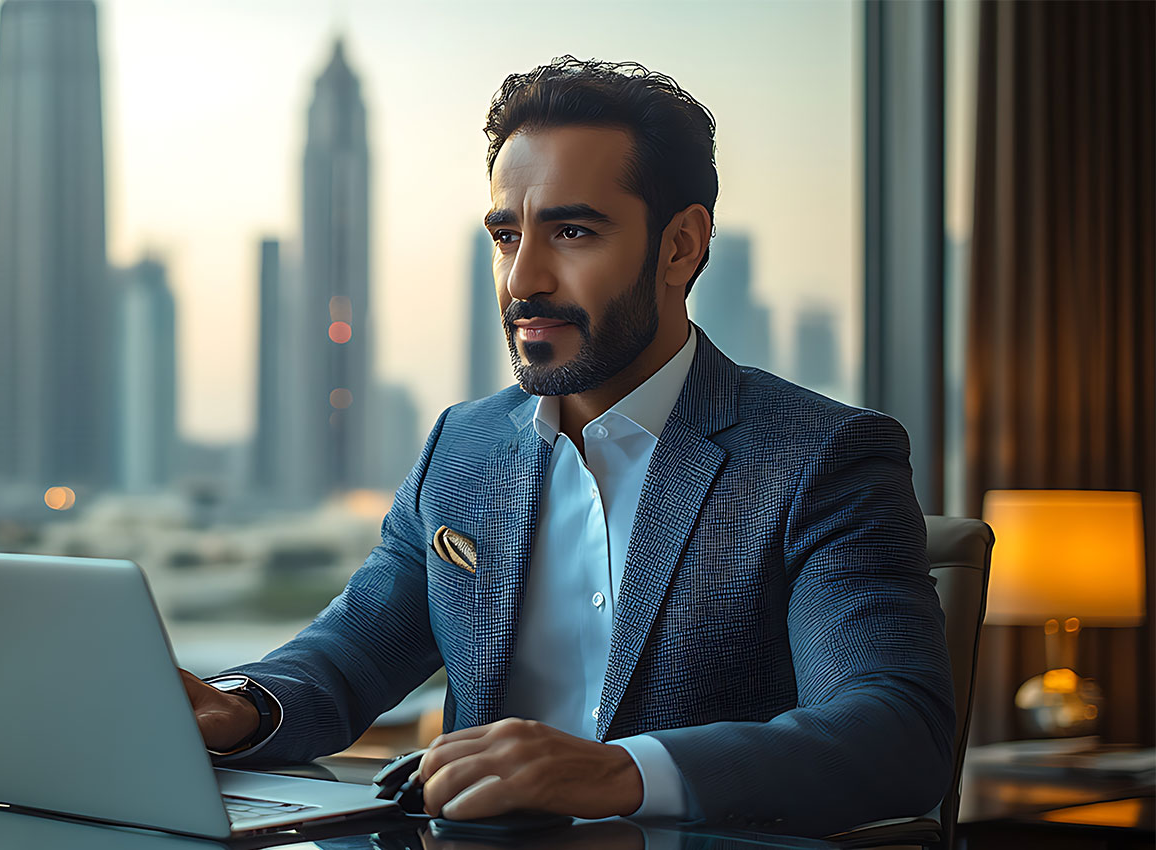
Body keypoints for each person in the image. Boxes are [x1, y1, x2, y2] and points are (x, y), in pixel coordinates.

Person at [180, 57, 953, 837]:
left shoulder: (823, 457)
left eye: (572, 231)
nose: (524, 279)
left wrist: (621, 773)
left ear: (681, 246)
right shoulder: (463, 447)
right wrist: (233, 706)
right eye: (506, 235)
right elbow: (349, 656)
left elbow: (893, 730)